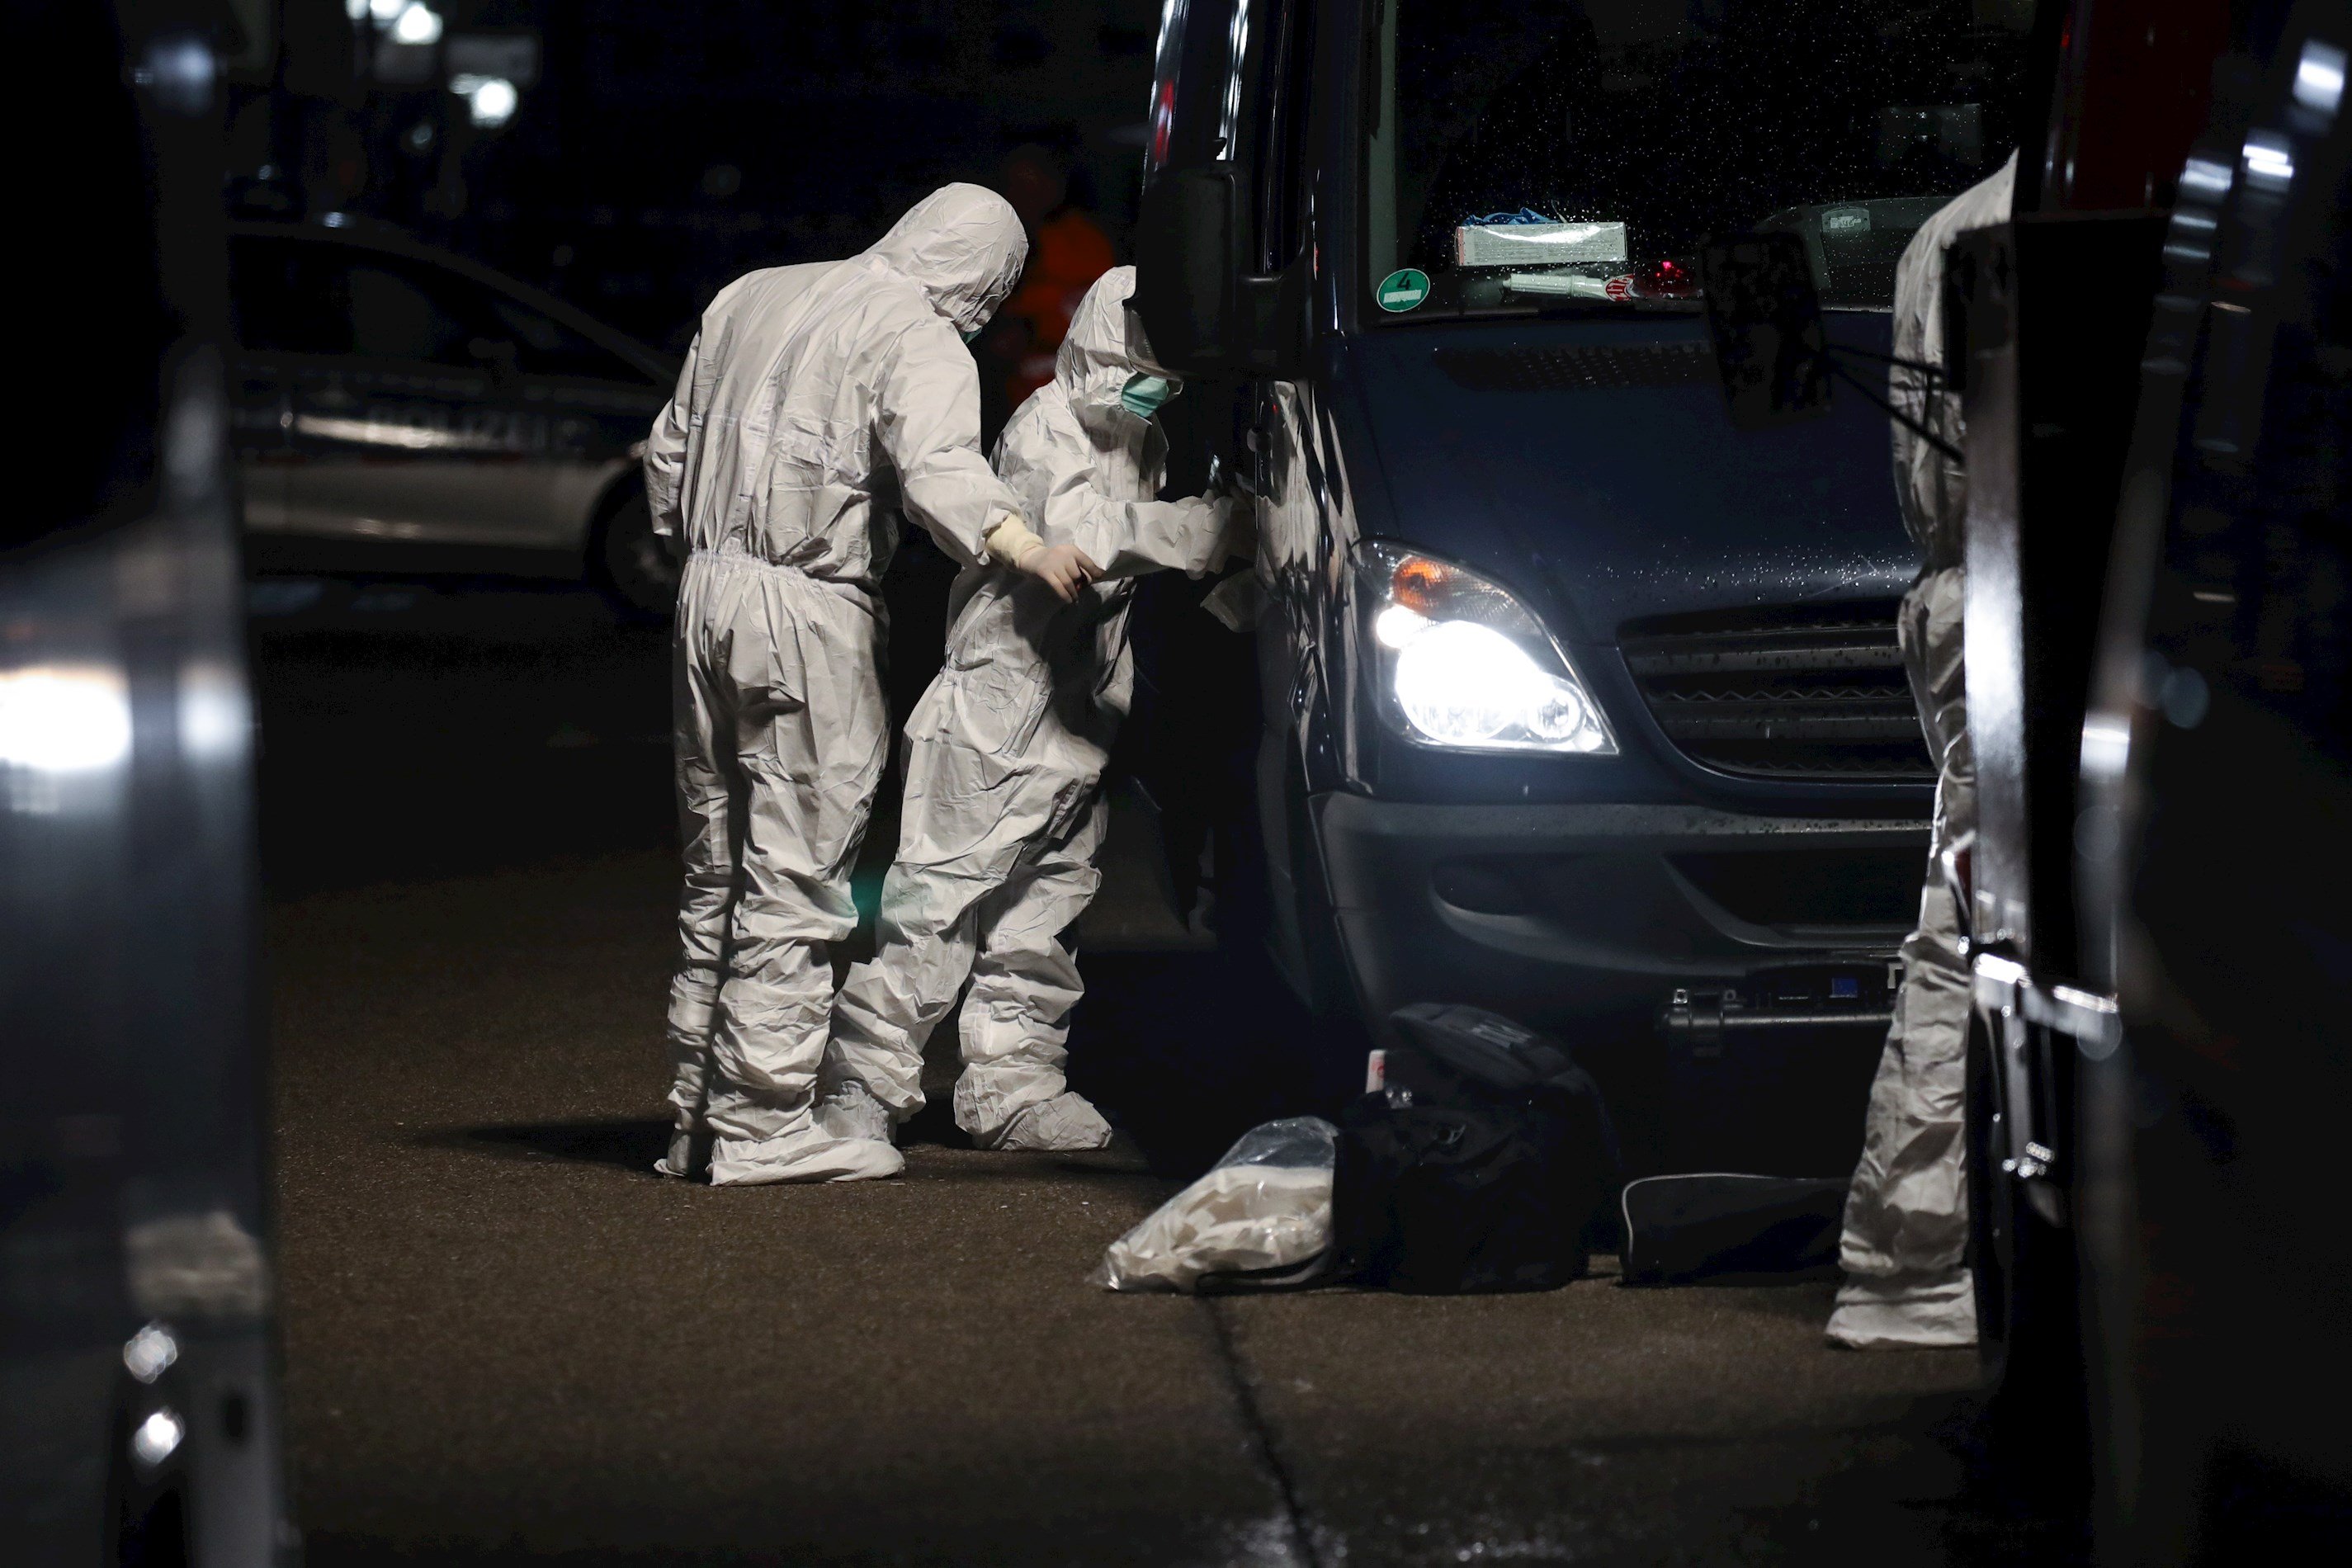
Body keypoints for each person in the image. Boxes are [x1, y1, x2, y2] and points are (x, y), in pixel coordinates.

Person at [642, 184, 1100, 1187]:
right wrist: (1025, 543)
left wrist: (707, 555)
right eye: (993, 292)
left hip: (705, 592)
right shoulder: (918, 333)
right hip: (809, 604)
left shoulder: (752, 292)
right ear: (976, 274)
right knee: (797, 865)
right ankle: (764, 1125)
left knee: (716, 864)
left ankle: (697, 1119)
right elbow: (940, 469)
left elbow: (670, 449)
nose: (983, 313)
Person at [821, 266, 1237, 1152]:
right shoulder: (1049, 426)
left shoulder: (1140, 436)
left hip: (1077, 711)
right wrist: (1210, 530)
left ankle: (1013, 1085)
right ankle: (859, 1087)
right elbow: (1089, 536)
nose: (1158, 383)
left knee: (1045, 908)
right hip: (1000, 705)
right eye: (1145, 363)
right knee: (939, 903)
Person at [1829, 152, 2018, 1348]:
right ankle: (1909, 1272)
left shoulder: (1947, 232)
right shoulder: (2168, 205)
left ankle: (1909, 1269)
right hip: (2029, 597)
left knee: (1962, 929)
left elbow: (1923, 469)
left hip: (1971, 599)